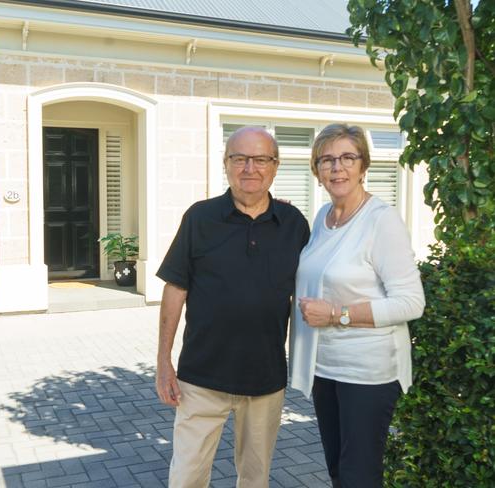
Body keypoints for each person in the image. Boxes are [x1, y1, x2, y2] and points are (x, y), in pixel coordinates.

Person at [155, 126, 310, 488]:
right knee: (186, 477)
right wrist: (164, 361)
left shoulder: (294, 224)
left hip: (265, 380)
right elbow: (175, 289)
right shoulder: (200, 218)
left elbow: (318, 284)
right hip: (201, 378)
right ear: (226, 164)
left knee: (255, 479)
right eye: (239, 159)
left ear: (275, 166)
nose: (249, 168)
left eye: (260, 160)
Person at [289, 123, 425, 488]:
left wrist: (336, 315)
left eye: (348, 157)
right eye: (327, 160)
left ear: (364, 166)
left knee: (358, 474)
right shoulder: (323, 219)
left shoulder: (382, 221)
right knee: (337, 467)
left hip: (368, 372)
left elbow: (411, 302)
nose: (338, 167)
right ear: (316, 172)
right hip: (326, 367)